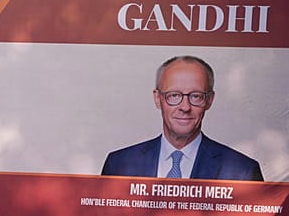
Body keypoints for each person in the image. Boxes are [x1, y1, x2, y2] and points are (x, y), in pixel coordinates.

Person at [101, 55, 263, 181]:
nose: (185, 107)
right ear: (158, 99)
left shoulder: (242, 172)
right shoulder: (119, 165)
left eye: (196, 96)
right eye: (174, 95)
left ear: (209, 100)